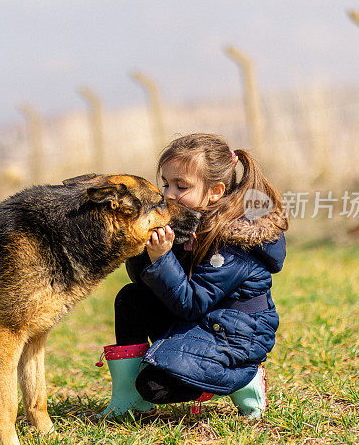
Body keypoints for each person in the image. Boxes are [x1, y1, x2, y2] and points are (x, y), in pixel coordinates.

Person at [97, 133, 288, 419]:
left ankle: (244, 379)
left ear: (215, 191)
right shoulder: (188, 222)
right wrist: (146, 250)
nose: (169, 194)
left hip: (235, 335)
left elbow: (190, 303)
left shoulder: (235, 238)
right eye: (166, 184)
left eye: (181, 186)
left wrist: (162, 258)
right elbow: (144, 282)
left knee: (154, 386)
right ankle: (128, 400)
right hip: (202, 320)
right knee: (132, 298)